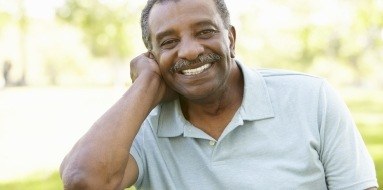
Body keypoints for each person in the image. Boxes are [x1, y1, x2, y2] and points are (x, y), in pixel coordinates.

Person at [60, 0, 379, 189]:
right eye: (168, 43)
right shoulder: (139, 127)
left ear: (231, 38)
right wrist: (144, 86)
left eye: (205, 32)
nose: (190, 50)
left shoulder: (311, 98)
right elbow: (83, 181)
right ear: (151, 57)